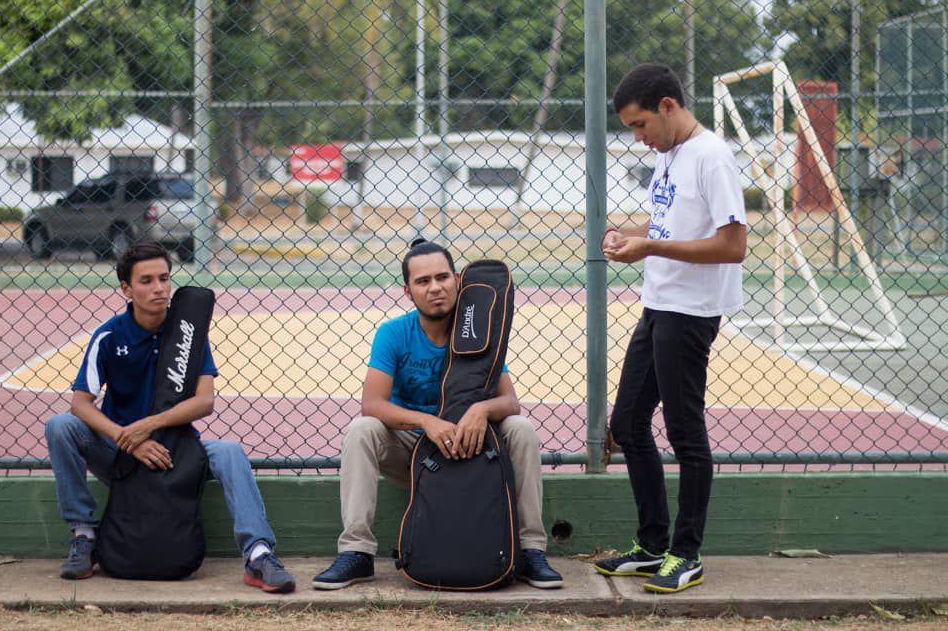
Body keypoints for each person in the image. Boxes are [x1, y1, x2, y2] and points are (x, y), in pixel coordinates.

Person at [44, 241, 295, 593]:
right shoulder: (109, 335)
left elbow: (204, 402)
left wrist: (149, 427)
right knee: (60, 427)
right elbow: (80, 404)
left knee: (229, 451)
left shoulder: (188, 333)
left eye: (164, 278)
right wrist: (128, 441)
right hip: (119, 451)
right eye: (146, 281)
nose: (159, 288)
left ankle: (258, 553)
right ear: (127, 289)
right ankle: (85, 536)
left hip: (175, 451)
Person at [312, 239, 564, 590]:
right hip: (414, 451)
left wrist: (481, 409)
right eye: (423, 281)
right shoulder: (394, 333)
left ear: (458, 280)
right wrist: (426, 422)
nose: (435, 288)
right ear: (408, 290)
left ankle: (530, 551)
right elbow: (373, 404)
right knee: (362, 429)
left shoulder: (477, 328)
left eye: (442, 277)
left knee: (520, 427)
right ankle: (357, 553)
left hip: (472, 448)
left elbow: (510, 402)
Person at [594, 62, 747, 593]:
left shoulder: (711, 156)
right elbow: (670, 224)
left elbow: (733, 244)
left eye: (640, 125)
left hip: (691, 313)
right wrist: (627, 234)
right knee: (630, 422)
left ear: (667, 106)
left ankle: (687, 554)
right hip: (659, 303)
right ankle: (653, 544)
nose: (638, 138)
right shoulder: (671, 154)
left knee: (684, 430)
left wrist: (650, 247)